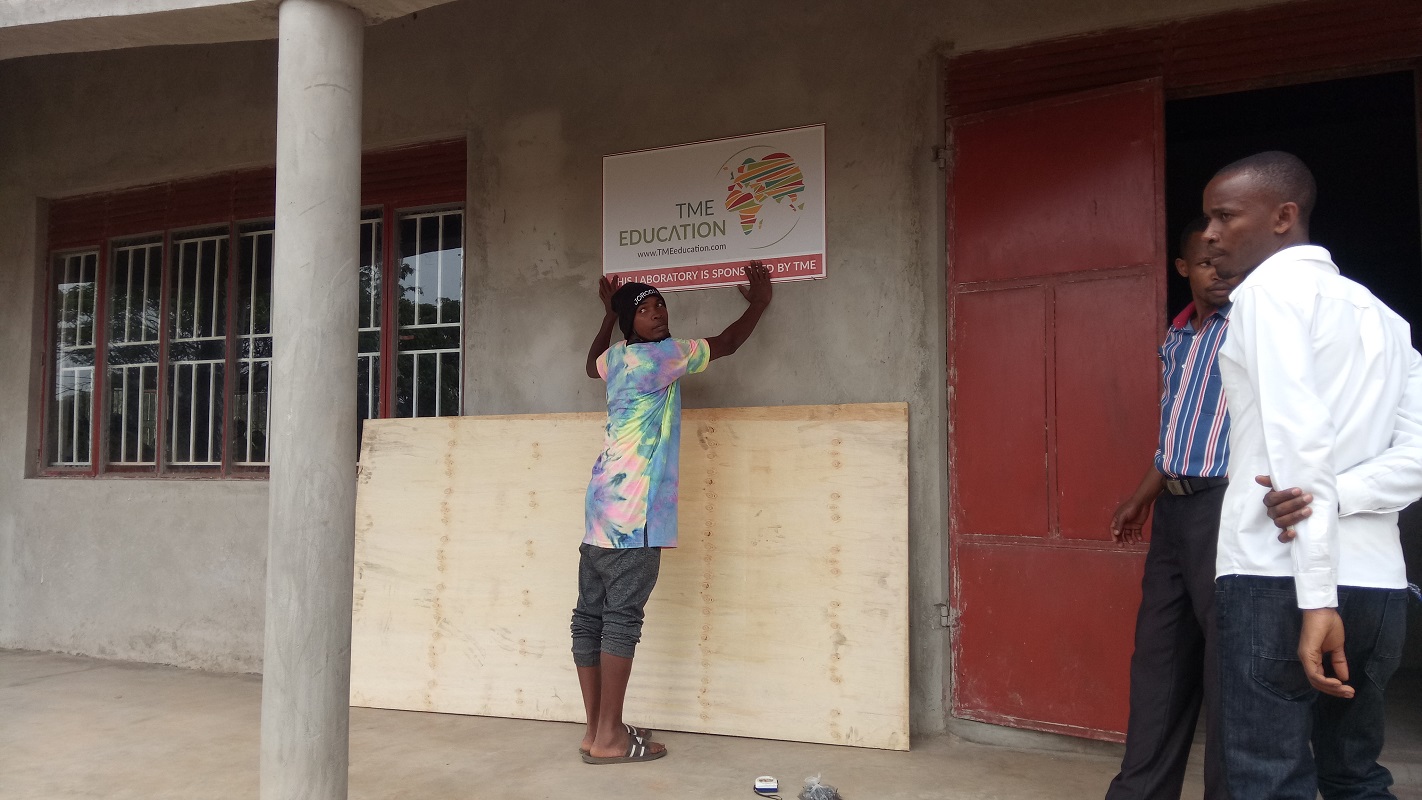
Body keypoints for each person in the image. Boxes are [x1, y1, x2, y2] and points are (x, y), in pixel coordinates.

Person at [1204, 151, 1422, 798]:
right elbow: (1416, 456)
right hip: (1379, 587)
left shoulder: (1267, 297)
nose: (1210, 233)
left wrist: (1317, 596)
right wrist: (1340, 499)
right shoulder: (1384, 318)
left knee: (1268, 779)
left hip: (1282, 580)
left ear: (1284, 216)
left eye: (1224, 215)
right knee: (1355, 776)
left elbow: (1298, 438)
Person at [572, 263, 773, 765]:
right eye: (643, 308)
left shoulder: (616, 359)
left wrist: (607, 316)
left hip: (599, 509)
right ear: (631, 321)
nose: (657, 312)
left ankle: (596, 729)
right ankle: (612, 739)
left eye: (660, 304)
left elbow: (590, 360)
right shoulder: (661, 357)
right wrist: (760, 304)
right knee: (619, 620)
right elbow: (725, 344)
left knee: (589, 617)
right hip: (636, 512)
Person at [1106, 217, 1236, 800]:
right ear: (1182, 268)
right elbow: (1174, 437)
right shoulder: (1177, 337)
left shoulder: (1250, 328)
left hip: (1228, 507)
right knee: (1159, 659)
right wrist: (1141, 498)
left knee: (1229, 664)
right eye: (1206, 261)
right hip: (1176, 512)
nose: (1220, 271)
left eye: (1227, 261)